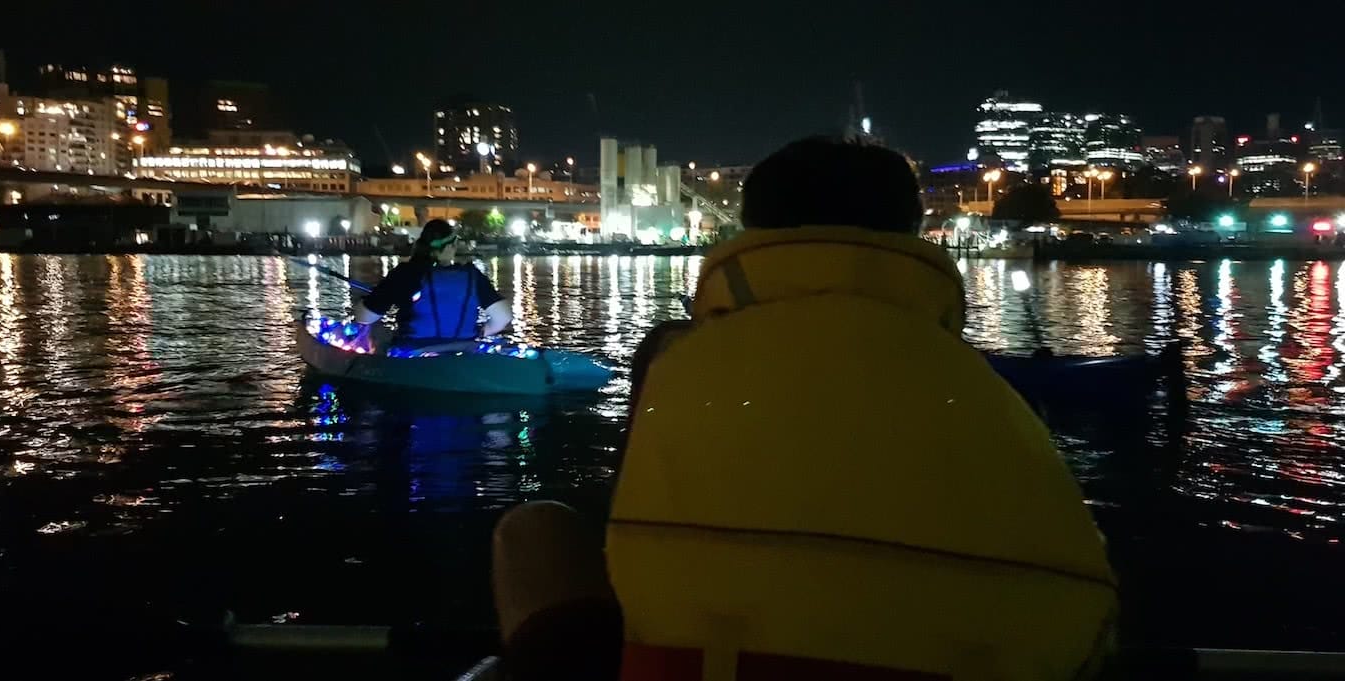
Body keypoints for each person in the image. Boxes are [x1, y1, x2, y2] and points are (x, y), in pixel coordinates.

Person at [551, 136, 1112, 680]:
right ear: (912, 237)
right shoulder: (993, 393)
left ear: (752, 235)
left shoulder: (674, 364)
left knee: (537, 530)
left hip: (701, 666)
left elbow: (621, 551)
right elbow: (1090, 622)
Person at [350, 219, 511, 348]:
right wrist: (481, 332)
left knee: (376, 334)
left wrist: (362, 302)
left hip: (414, 353)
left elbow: (365, 317)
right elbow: (503, 317)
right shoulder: (472, 275)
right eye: (455, 243)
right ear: (449, 246)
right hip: (464, 351)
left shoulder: (405, 273)